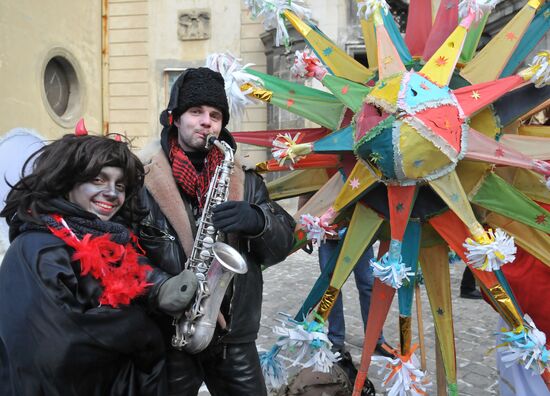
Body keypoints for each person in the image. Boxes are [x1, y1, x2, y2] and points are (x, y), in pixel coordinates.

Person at [138, 67, 296, 396]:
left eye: (215, 114)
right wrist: (162, 287)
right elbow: (124, 255)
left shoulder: (247, 179)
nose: (206, 121)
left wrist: (258, 220)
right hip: (169, 333)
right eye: (195, 112)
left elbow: (283, 243)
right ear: (175, 119)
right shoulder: (141, 181)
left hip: (233, 335)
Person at [0, 134, 176, 396]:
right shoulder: (37, 247)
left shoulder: (103, 239)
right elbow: (56, 345)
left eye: (120, 185)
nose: (111, 193)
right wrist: (142, 329)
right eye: (98, 179)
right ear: (67, 182)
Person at [318, 239, 392, 383]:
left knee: (368, 286)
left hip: (362, 231)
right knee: (331, 288)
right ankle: (336, 339)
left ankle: (376, 338)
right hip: (329, 236)